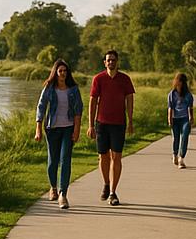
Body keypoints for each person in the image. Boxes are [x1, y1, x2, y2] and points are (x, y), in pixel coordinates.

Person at [87, 49, 135, 206]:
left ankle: (113, 192)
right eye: (108, 60)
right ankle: (106, 183)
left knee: (117, 157)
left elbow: (129, 100)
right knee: (103, 156)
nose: (111, 62)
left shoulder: (125, 79)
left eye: (113, 60)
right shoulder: (98, 79)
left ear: (117, 62)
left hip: (119, 123)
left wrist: (130, 121)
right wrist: (90, 125)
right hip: (101, 123)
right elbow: (93, 101)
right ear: (104, 62)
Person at [35, 58, 84, 209]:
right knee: (52, 162)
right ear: (55, 73)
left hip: (68, 128)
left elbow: (78, 110)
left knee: (65, 160)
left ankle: (63, 194)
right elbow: (41, 107)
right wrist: (38, 128)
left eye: (65, 71)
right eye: (60, 71)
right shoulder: (49, 87)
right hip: (52, 129)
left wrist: (76, 130)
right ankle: (53, 187)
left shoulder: (73, 89)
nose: (63, 73)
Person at [167, 72, 194, 168]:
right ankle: (175, 154)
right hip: (175, 119)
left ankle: (181, 159)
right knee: (176, 138)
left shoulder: (188, 95)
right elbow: (170, 108)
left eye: (182, 82)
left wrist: (191, 118)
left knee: (185, 137)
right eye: (178, 81)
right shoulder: (172, 94)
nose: (179, 84)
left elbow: (190, 107)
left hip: (185, 119)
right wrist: (169, 119)